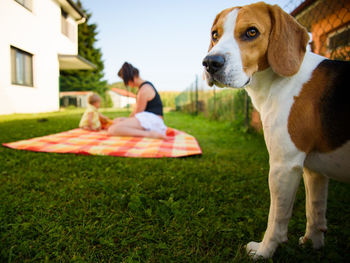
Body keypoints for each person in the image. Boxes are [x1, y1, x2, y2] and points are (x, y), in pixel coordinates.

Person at [108, 62, 168, 139]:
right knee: (117, 121)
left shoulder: (144, 90)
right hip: (150, 120)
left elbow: (137, 112)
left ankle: (150, 134)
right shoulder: (145, 87)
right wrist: (124, 120)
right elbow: (136, 112)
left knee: (113, 129)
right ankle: (148, 133)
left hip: (152, 121)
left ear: (130, 79)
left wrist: (125, 121)